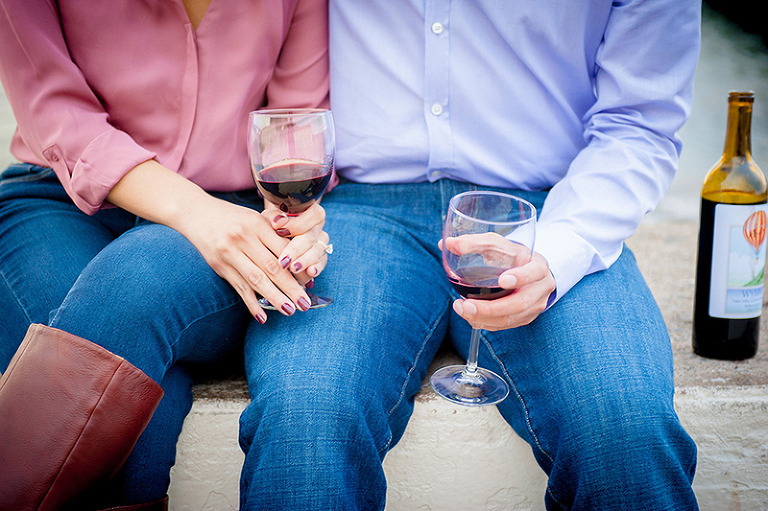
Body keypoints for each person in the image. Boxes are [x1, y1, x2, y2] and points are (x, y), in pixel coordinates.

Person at [235, 0, 702, 509]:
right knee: (306, 411)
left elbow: (641, 123)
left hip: (550, 212)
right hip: (362, 212)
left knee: (624, 422)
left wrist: (559, 250)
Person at [0, 0, 331, 509]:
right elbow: (56, 113)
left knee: (131, 302)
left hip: (227, 220)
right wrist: (194, 212)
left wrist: (295, 221)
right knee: (131, 379)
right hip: (60, 204)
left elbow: (295, 129)